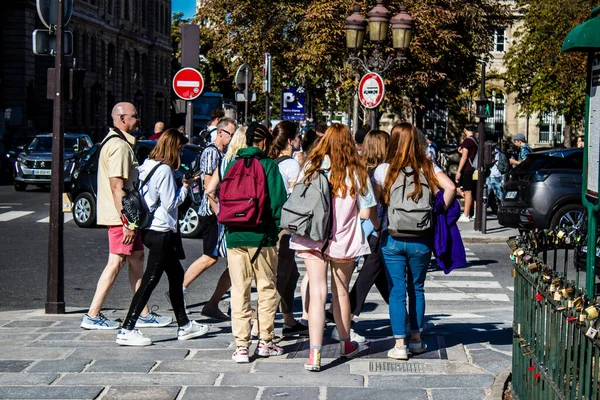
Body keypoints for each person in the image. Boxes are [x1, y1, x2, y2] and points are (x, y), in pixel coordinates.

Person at [290, 123, 380, 372]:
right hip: (344, 239)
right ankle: (345, 343)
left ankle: (315, 355)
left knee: (317, 293)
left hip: (313, 237)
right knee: (341, 292)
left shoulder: (311, 166)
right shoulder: (356, 170)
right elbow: (364, 213)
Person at [81, 102, 171, 330]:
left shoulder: (118, 143)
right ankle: (92, 314)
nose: (138, 119)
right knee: (116, 263)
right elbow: (117, 187)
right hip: (121, 218)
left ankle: (142, 311)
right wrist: (128, 222)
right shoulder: (119, 147)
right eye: (135, 116)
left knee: (137, 259)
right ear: (122, 119)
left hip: (123, 217)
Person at [116, 129, 210, 346]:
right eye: (180, 149)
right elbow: (170, 203)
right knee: (151, 279)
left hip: (149, 229)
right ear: (173, 148)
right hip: (162, 231)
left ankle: (184, 325)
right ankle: (127, 328)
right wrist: (185, 187)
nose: (181, 153)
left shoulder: (147, 164)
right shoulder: (165, 170)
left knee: (176, 275)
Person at [372, 122, 455, 361]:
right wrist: (437, 210)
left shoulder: (384, 170)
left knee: (397, 291)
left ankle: (400, 345)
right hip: (422, 238)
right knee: (417, 289)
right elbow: (450, 187)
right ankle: (417, 341)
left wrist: (380, 225)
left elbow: (377, 202)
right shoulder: (427, 166)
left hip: (393, 237)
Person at [224, 122, 287, 363]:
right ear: (263, 142)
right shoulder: (269, 166)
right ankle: (265, 341)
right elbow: (278, 204)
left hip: (234, 235)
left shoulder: (232, 165)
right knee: (266, 287)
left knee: (239, 289)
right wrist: (277, 229)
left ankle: (241, 346)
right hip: (262, 236)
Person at [175, 118, 237, 319]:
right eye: (231, 134)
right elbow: (210, 187)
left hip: (219, 210)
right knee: (210, 257)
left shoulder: (221, 153)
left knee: (233, 261)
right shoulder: (211, 152)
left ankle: (214, 304)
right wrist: (219, 213)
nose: (232, 138)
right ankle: (179, 290)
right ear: (220, 133)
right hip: (213, 212)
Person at [267, 121, 308, 337]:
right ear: (291, 141)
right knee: (282, 274)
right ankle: (262, 322)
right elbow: (296, 196)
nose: (300, 140)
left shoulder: (271, 160)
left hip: (271, 223)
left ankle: (289, 318)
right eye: (298, 136)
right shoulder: (292, 165)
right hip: (284, 225)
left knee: (291, 274)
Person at [455, 123, 478, 223]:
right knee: (474, 192)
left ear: (465, 130)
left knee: (467, 192)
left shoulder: (467, 141)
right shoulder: (475, 141)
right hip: (475, 169)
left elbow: (464, 157)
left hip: (468, 169)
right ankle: (475, 214)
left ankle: (466, 214)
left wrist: (459, 171)